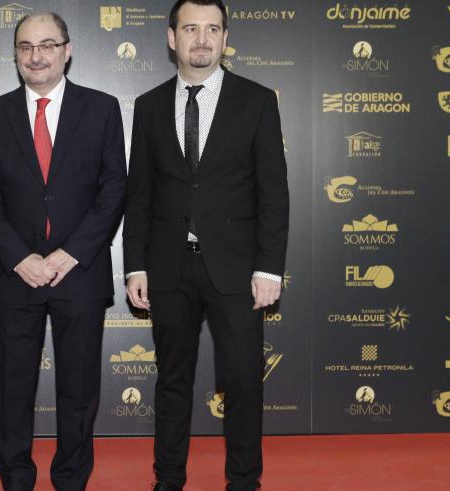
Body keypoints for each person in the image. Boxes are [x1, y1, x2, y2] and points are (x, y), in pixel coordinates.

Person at [122, 1, 289, 489]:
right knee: (172, 382)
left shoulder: (257, 100)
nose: (202, 38)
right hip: (168, 267)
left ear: (224, 37)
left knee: (240, 381)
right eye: (191, 28)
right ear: (172, 38)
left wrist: (270, 268)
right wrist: (135, 266)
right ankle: (168, 479)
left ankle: (243, 482)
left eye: (212, 29)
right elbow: (140, 194)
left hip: (237, 269)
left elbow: (273, 191)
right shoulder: (149, 105)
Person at [0, 12, 127, 491]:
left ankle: (71, 478)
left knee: (78, 390)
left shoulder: (101, 108)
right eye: (25, 47)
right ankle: (15, 477)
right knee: (13, 387)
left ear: (67, 49)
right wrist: (20, 258)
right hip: (14, 274)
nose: (35, 56)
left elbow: (113, 189)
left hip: (79, 273)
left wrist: (69, 254)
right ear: (15, 54)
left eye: (46, 45)